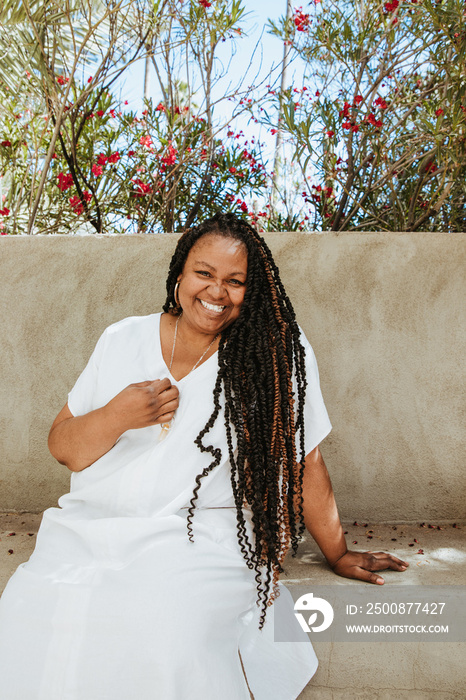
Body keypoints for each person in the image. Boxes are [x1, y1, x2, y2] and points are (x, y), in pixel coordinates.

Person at [0, 213, 408, 699]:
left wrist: (336, 552)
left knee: (166, 633)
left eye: (235, 281)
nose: (217, 292)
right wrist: (117, 415)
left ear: (251, 292)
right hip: (90, 530)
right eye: (204, 273)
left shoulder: (275, 354)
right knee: (33, 614)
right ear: (179, 275)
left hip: (200, 538)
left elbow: (304, 461)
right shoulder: (122, 339)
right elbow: (63, 449)